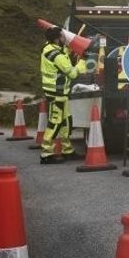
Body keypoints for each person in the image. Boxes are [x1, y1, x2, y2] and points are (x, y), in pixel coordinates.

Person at [39, 26, 91, 164]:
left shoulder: (48, 48)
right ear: (57, 39)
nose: (65, 38)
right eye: (63, 36)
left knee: (65, 122)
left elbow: (62, 53)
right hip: (57, 93)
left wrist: (68, 49)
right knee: (55, 123)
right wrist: (82, 61)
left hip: (60, 93)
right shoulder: (58, 56)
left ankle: (67, 150)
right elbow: (73, 73)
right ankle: (46, 153)